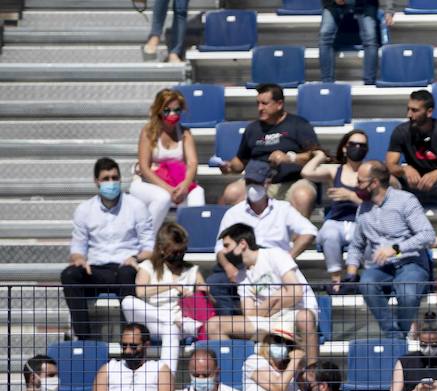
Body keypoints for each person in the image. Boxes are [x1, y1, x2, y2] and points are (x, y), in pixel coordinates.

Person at [207, 159, 318, 318]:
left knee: (288, 291)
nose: (252, 186)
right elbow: (220, 247)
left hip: (274, 264)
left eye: (256, 182)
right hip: (240, 266)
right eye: (249, 181)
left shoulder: (283, 209)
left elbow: (309, 231)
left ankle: (270, 322)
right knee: (215, 282)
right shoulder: (234, 212)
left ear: (268, 183)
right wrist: (228, 267)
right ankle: (232, 326)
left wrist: (288, 258)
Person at [62, 158, 154, 340]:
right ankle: (84, 340)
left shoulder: (136, 206)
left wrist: (136, 258)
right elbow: (77, 247)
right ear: (97, 181)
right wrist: (79, 259)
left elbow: (149, 247)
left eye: (115, 177)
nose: (111, 183)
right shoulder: (84, 210)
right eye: (106, 178)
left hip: (125, 267)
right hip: (96, 269)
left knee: (127, 274)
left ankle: (130, 338)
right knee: (69, 274)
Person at [346, 159, 437, 343]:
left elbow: (428, 235)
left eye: (360, 181)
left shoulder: (405, 200)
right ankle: (393, 334)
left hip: (410, 263)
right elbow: (356, 245)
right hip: (382, 267)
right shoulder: (363, 209)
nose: (357, 185)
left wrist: (395, 249)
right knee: (367, 283)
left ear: (374, 183)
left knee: (407, 292)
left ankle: (400, 337)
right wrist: (351, 273)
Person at [208, 223, 320, 365]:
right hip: (267, 320)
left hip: (296, 313)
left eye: (227, 246)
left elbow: (295, 293)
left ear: (242, 244)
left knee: (305, 317)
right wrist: (272, 300)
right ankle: (232, 373)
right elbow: (249, 314)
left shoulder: (274, 254)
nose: (223, 252)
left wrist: (265, 307)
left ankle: (312, 372)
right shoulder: (242, 276)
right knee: (213, 325)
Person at [218, 84, 320, 218]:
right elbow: (241, 161)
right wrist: (229, 167)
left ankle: (298, 238)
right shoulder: (252, 129)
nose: (260, 108)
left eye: (265, 104)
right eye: (258, 103)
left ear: (279, 104)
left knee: (303, 195)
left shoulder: (299, 125)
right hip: (257, 182)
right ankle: (241, 237)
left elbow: (316, 155)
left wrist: (289, 158)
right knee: (232, 192)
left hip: (292, 182)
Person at [387, 89, 437, 245]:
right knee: (388, 180)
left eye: (415, 110)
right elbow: (390, 165)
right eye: (408, 109)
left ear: (429, 112)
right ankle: (399, 238)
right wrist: (404, 168)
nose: (409, 114)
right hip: (413, 183)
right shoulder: (401, 131)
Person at [123, 222, 207, 367]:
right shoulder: (148, 267)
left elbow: (204, 294)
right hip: (152, 322)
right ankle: (173, 319)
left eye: (182, 251)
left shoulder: (192, 270)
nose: (179, 255)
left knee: (171, 328)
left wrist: (199, 292)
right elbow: (141, 292)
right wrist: (171, 286)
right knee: (127, 301)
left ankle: (167, 381)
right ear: (162, 249)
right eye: (174, 252)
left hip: (181, 324)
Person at [301, 130, 368, 293]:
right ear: (345, 148)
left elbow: (375, 206)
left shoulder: (369, 171)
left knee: (364, 236)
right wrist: (319, 157)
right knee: (328, 234)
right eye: (353, 144)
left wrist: (352, 196)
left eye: (362, 145)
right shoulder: (335, 170)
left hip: (360, 221)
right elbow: (306, 172)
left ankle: (355, 278)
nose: (357, 148)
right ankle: (336, 281)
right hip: (337, 221)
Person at [128, 88, 204, 228]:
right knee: (163, 197)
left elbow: (193, 162)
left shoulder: (185, 133)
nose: (172, 114)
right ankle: (148, 240)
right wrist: (170, 190)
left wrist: (185, 186)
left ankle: (195, 237)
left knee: (198, 192)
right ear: (159, 110)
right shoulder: (148, 132)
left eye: (177, 110)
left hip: (176, 182)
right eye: (167, 110)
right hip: (148, 183)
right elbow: (144, 168)